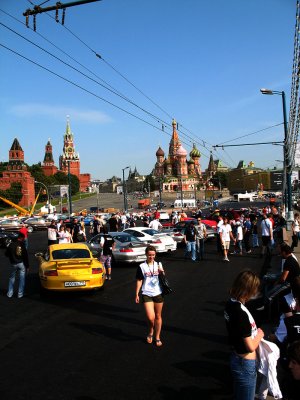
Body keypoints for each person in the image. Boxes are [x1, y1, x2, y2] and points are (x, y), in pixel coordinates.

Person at [224, 270, 264, 400]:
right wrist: (259, 334)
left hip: (237, 358)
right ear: (247, 290)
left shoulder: (230, 303)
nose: (255, 293)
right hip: (244, 363)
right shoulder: (240, 312)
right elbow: (250, 346)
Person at [135, 245, 165, 347]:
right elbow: (139, 280)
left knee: (158, 316)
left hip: (158, 293)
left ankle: (157, 337)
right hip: (146, 293)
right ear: (146, 255)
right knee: (150, 317)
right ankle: (151, 330)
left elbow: (163, 277)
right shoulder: (142, 266)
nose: (151, 257)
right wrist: (136, 294)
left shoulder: (158, 264)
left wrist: (162, 272)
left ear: (155, 255)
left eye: (153, 255)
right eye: (149, 255)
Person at [5, 232, 30, 299]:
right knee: (22, 278)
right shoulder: (22, 245)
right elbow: (25, 256)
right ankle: (20, 294)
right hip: (21, 263)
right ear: (21, 238)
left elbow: (6, 254)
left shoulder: (11, 245)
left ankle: (10, 293)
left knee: (12, 278)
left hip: (13, 263)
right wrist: (27, 266)